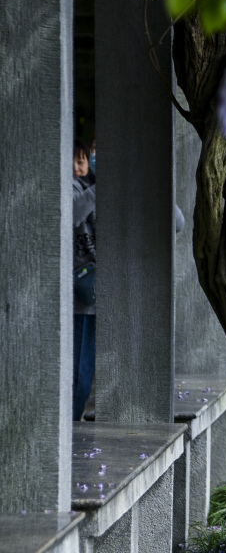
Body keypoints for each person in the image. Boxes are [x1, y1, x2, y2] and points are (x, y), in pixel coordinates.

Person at [72, 140, 97, 421]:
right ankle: (69, 427)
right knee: (78, 375)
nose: (79, 166)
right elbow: (73, 213)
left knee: (85, 374)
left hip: (103, 294)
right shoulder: (75, 188)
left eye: (82, 160)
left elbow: (175, 222)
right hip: (79, 297)